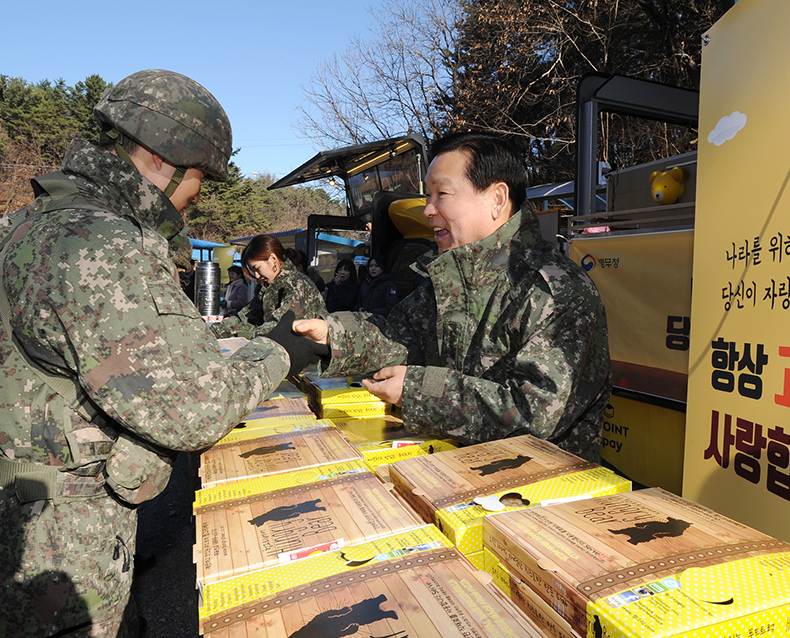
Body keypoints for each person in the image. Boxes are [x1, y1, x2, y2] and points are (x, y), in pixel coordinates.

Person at [0, 69, 312, 637]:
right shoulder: (103, 240)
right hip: (63, 552)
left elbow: (97, 359)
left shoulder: (26, 224)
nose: (195, 200)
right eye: (200, 180)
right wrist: (280, 351)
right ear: (166, 163)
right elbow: (192, 410)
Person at [294, 132, 611, 463]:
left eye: (441, 194)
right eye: (427, 195)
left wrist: (418, 387)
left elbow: (534, 413)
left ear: (497, 199)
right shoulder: (451, 278)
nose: (428, 210)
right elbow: (397, 335)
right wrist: (332, 335)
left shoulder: (556, 291)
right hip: (456, 473)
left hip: (540, 493)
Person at [211, 234, 326, 339]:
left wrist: (240, 334)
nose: (257, 275)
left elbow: (278, 328)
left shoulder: (297, 285)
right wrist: (211, 332)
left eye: (257, 269)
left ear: (273, 259)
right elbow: (246, 318)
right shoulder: (270, 287)